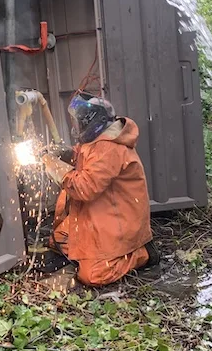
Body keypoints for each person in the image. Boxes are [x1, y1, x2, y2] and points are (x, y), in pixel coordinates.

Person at [40, 93, 159, 286]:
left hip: (119, 221)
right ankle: (103, 252)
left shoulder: (110, 148)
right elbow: (87, 159)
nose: (76, 127)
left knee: (93, 275)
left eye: (80, 122)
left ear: (92, 122)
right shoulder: (99, 141)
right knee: (59, 240)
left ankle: (142, 252)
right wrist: (65, 154)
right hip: (100, 214)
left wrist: (53, 165)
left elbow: (84, 187)